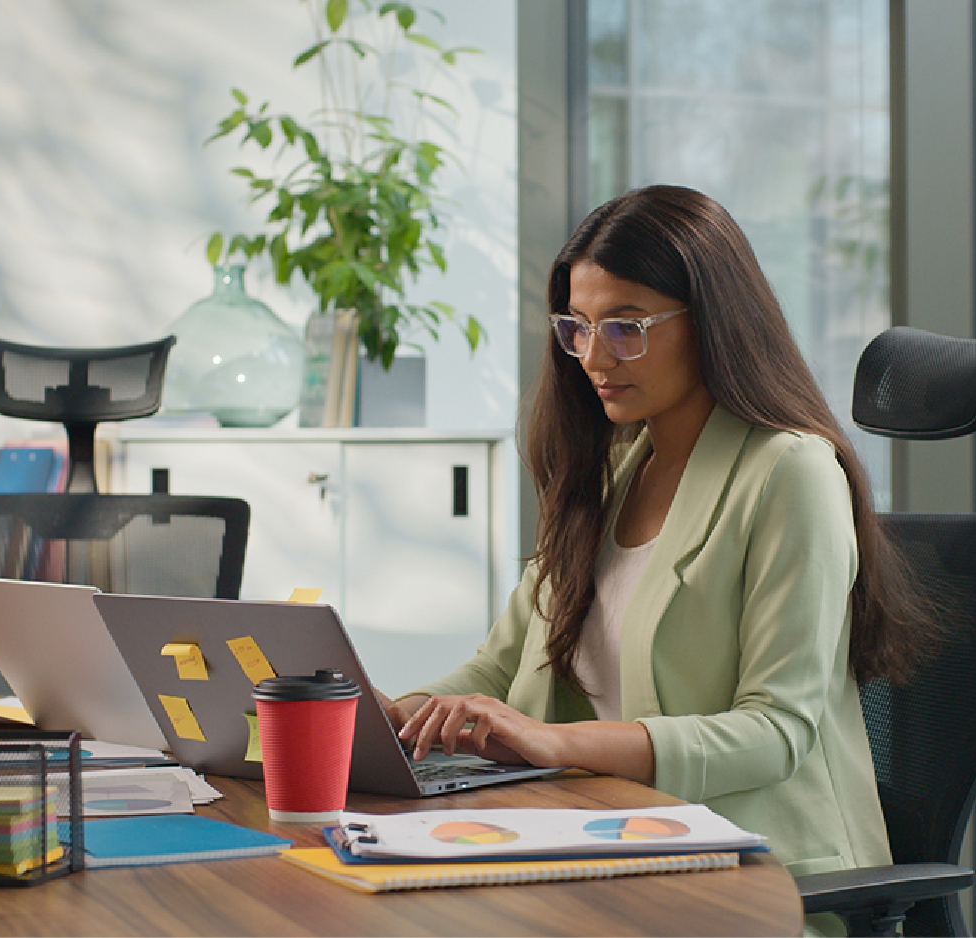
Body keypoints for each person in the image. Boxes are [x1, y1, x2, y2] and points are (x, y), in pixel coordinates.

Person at [377, 185, 941, 900]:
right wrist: (388, 717)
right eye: (576, 327)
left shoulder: (788, 471)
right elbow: (497, 671)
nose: (592, 356)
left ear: (712, 322)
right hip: (604, 842)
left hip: (760, 873)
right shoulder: (609, 471)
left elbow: (774, 730)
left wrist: (553, 743)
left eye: (625, 326)